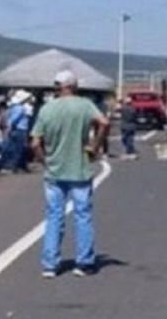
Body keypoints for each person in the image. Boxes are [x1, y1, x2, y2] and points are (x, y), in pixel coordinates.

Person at [31, 70, 109, 278]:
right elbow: (104, 122)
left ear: (58, 86)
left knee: (54, 215)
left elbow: (35, 142)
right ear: (74, 85)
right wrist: (95, 145)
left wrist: (43, 160)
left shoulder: (47, 109)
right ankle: (84, 262)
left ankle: (50, 263)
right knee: (82, 215)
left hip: (55, 170)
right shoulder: (84, 105)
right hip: (79, 168)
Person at [3, 90, 32, 173]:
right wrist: (9, 127)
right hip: (20, 130)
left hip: (18, 129)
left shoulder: (14, 107)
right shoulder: (20, 108)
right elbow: (14, 119)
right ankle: (16, 166)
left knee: (18, 148)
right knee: (19, 149)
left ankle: (20, 166)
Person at [117, 95, 138, 160]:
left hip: (124, 126)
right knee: (130, 139)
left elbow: (117, 109)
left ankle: (129, 152)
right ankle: (131, 152)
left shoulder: (123, 108)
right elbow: (135, 117)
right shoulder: (133, 109)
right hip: (132, 126)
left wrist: (119, 102)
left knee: (125, 139)